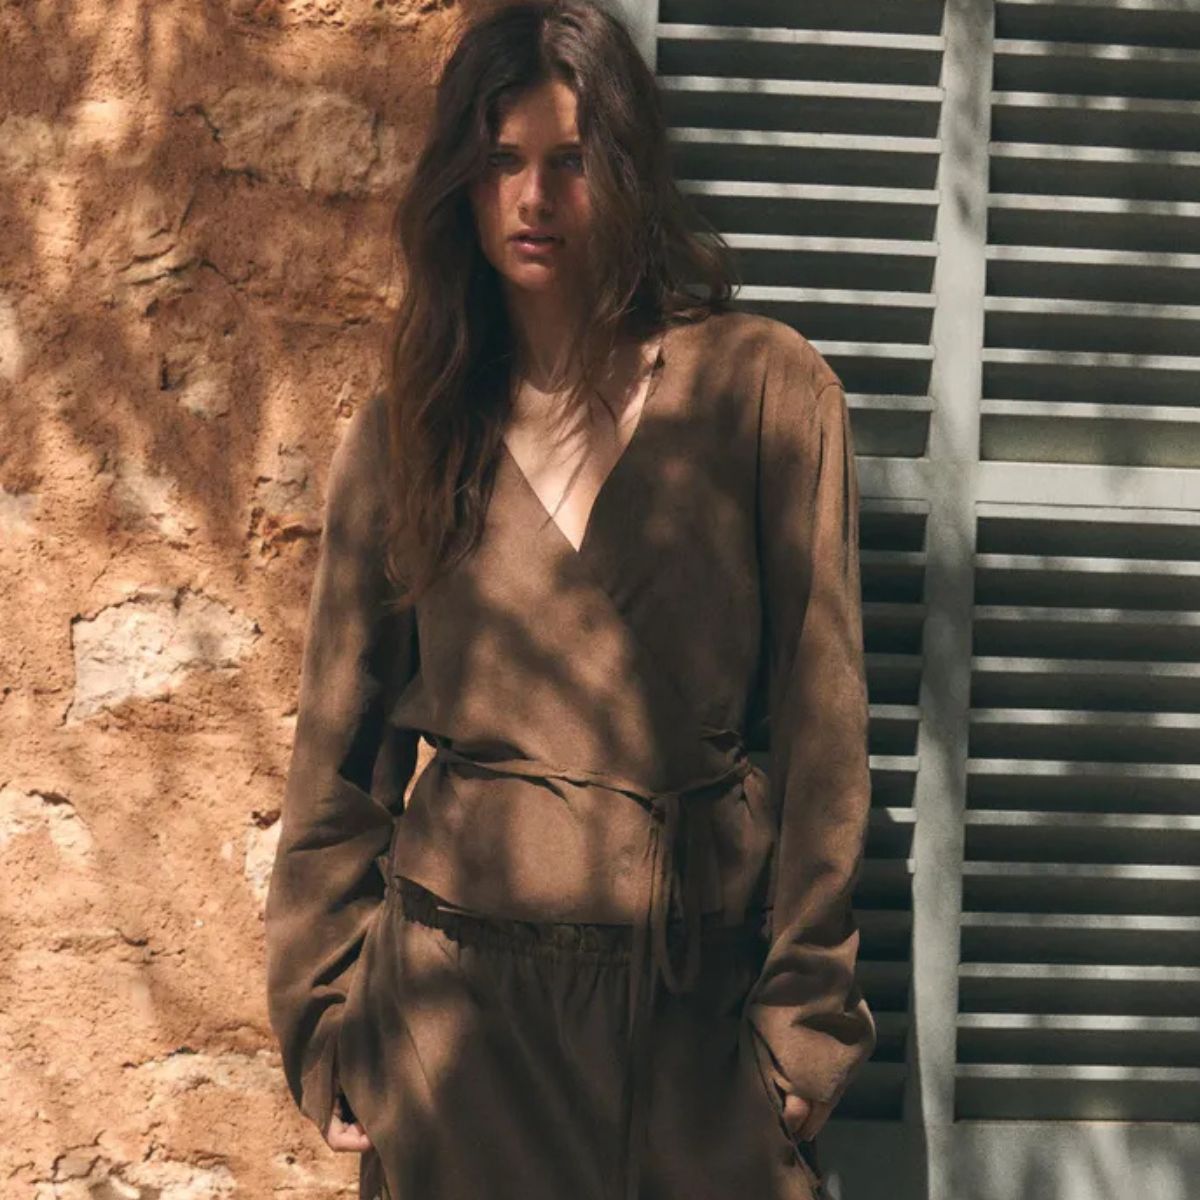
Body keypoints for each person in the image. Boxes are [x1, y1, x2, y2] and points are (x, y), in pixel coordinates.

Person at [263, 3, 876, 1198]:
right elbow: (339, 755)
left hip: (691, 1032)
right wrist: (329, 1012)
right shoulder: (412, 435)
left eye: (569, 160)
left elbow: (826, 737)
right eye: (500, 161)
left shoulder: (764, 392)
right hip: (455, 1038)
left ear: (628, 170)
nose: (532, 197)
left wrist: (803, 1032)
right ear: (463, 181)